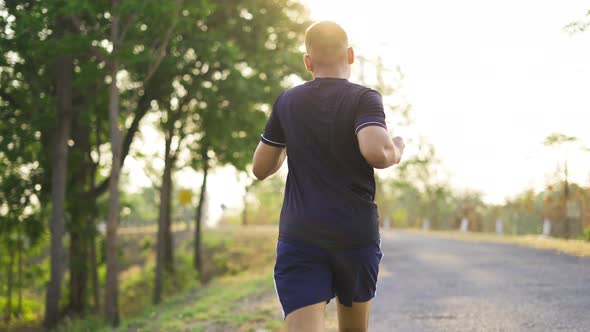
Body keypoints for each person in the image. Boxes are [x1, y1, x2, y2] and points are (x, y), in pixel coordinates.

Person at [252, 21, 405, 332]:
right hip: (354, 234)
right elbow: (377, 152)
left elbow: (261, 168)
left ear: (308, 62)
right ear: (350, 55)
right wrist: (397, 148)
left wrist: (288, 135)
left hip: (301, 236)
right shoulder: (364, 98)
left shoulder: (288, 101)